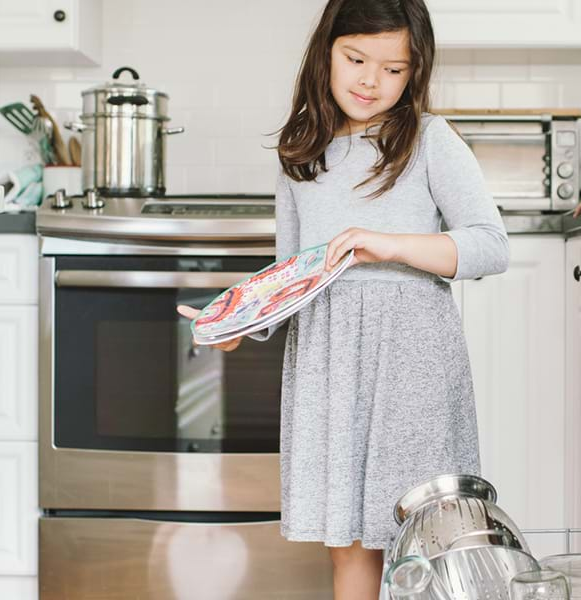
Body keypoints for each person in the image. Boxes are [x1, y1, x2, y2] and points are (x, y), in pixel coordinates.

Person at [178, 0, 509, 597]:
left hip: (410, 362)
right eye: (356, 58)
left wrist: (389, 245)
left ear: (414, 73)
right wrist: (241, 320)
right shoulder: (300, 153)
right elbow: (290, 273)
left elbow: (490, 246)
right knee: (349, 543)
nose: (370, 80)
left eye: (393, 69)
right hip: (329, 364)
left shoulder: (431, 140)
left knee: (423, 541)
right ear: (326, 50)